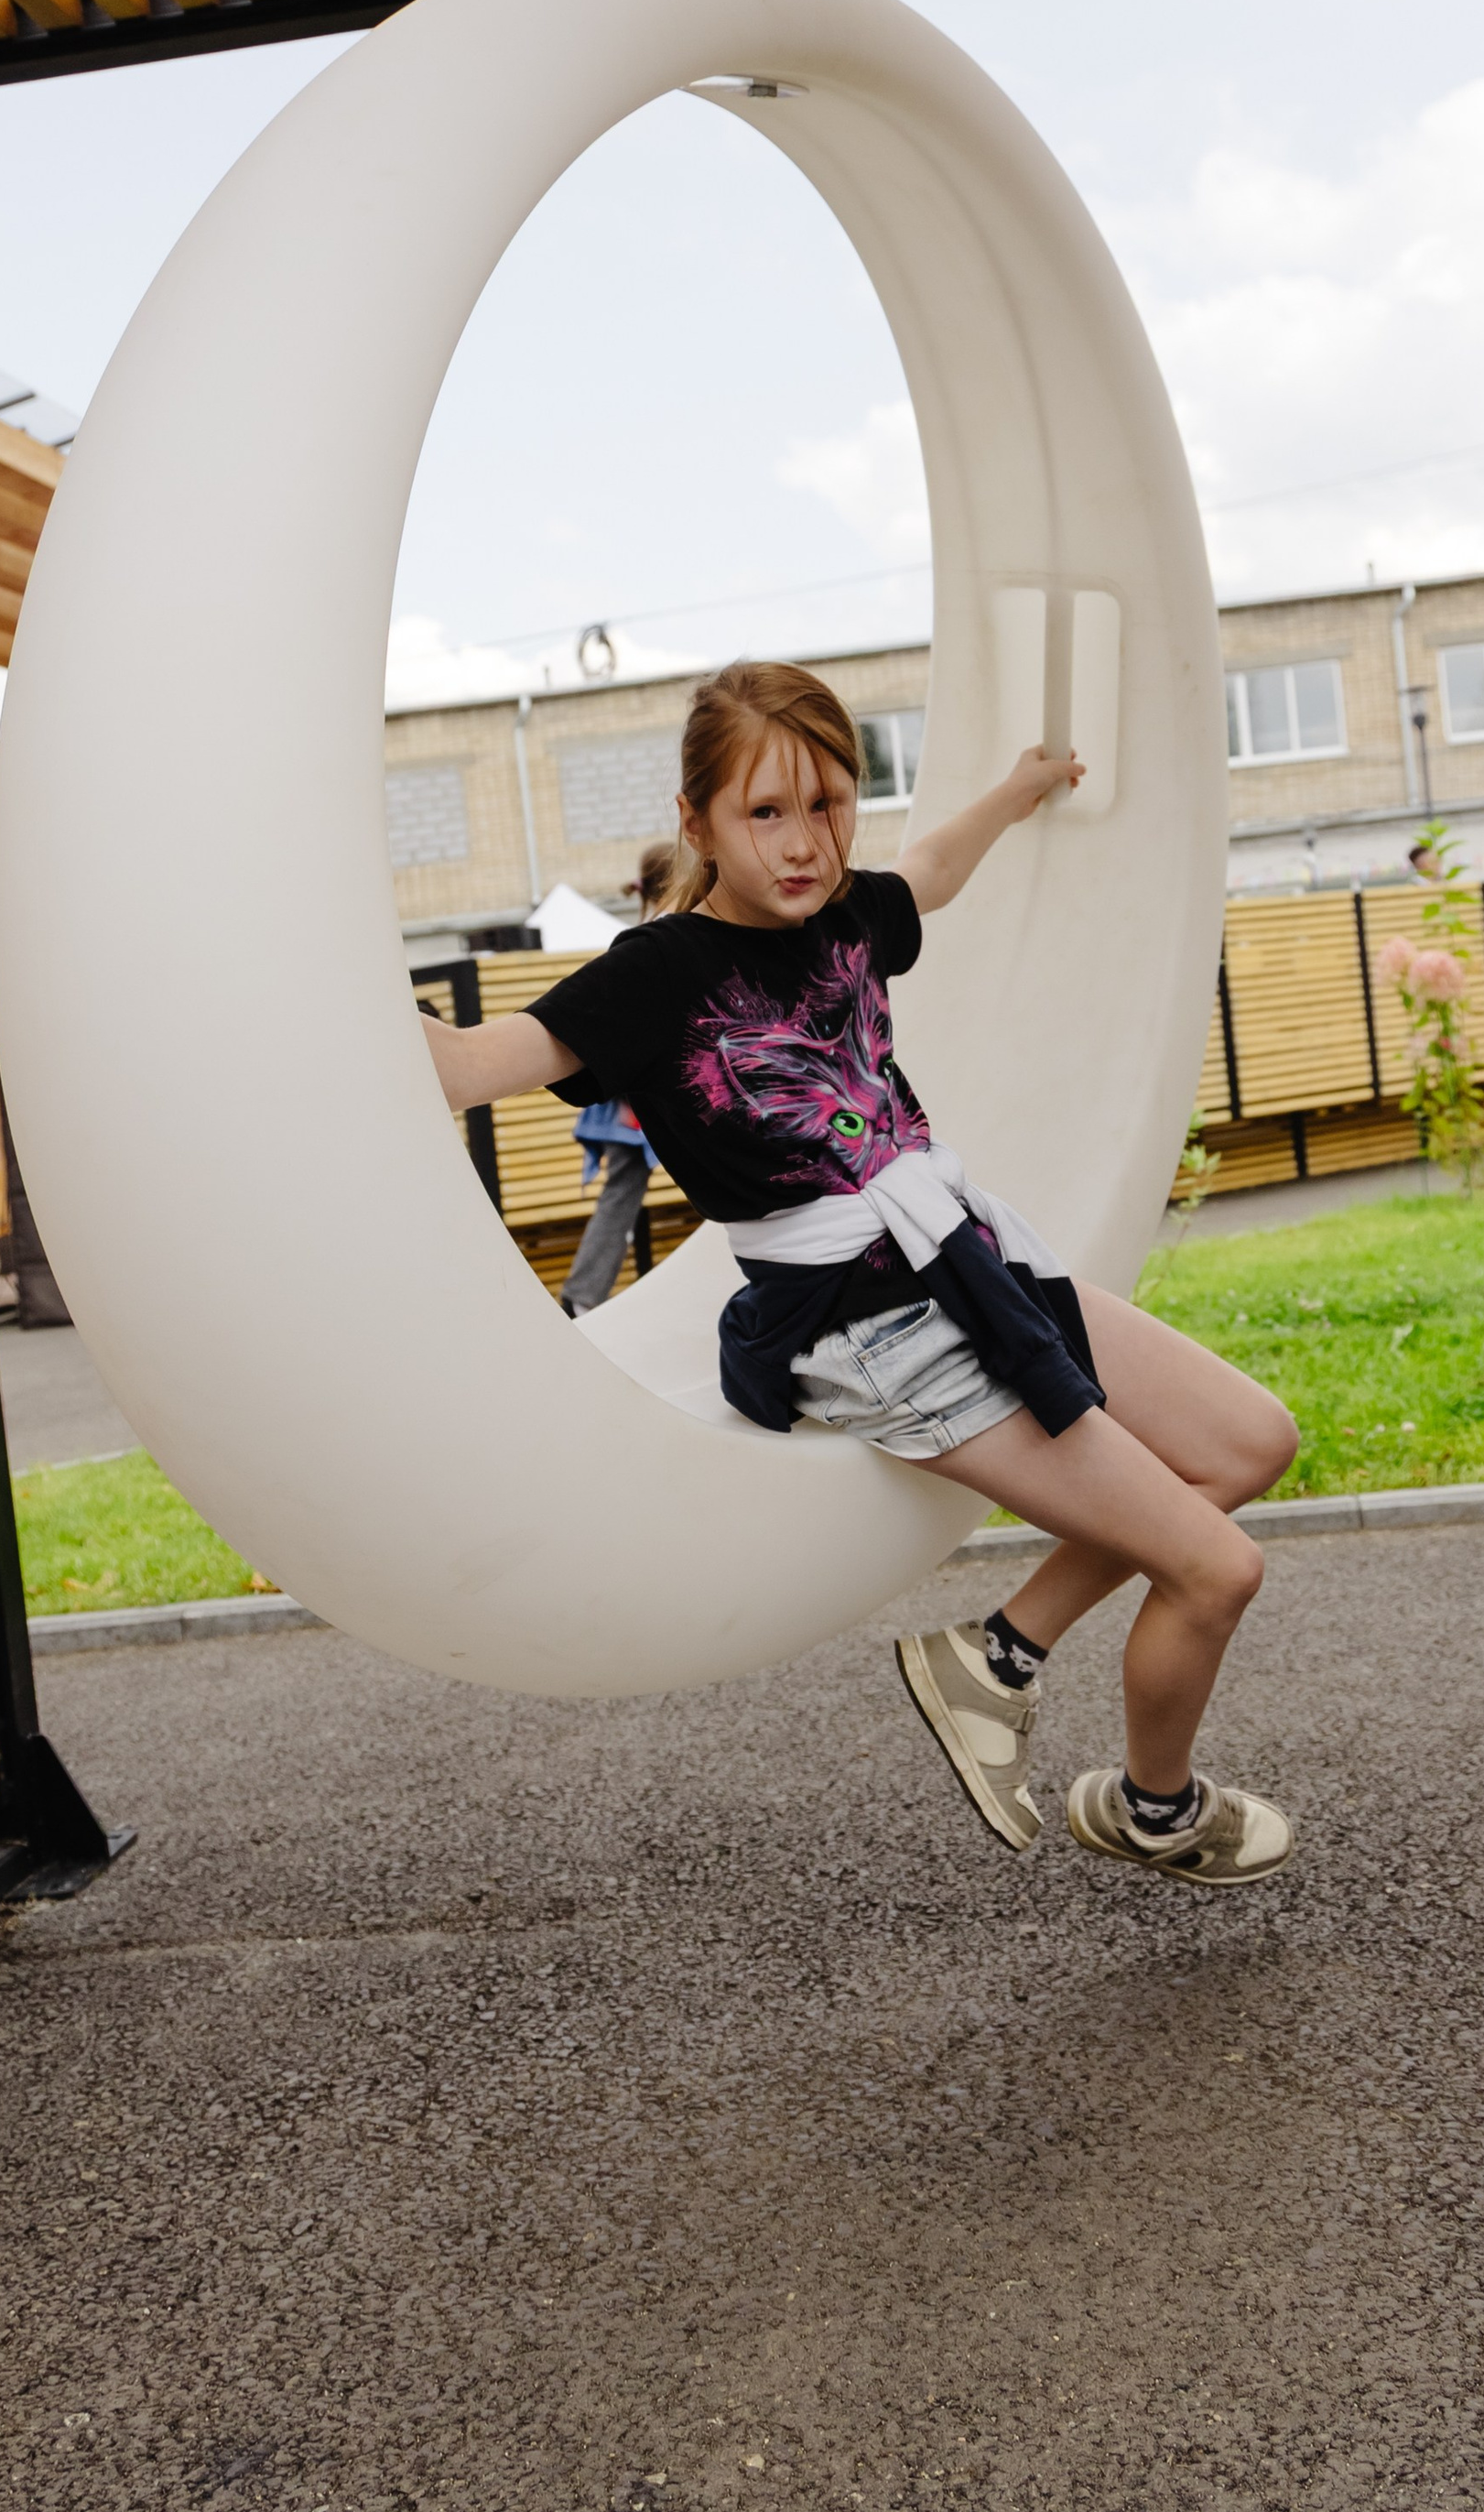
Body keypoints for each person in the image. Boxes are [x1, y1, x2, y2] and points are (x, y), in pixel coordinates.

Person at [418, 664, 1300, 1885]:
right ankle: (1153, 1812)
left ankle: (996, 1659)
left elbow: (929, 870)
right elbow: (465, 1067)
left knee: (1249, 1444)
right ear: (698, 823)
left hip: (958, 1258)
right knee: (1216, 1568)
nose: (803, 843)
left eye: (830, 805)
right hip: (857, 1320)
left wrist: (1019, 789)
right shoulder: (651, 974)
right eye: (764, 813)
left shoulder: (844, 913)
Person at [558, 836, 676, 1318]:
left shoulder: (648, 930)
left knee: (622, 1192)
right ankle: (584, 1295)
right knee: (623, 1192)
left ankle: (584, 1295)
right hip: (641, 1097)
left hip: (634, 1097)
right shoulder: (666, 935)